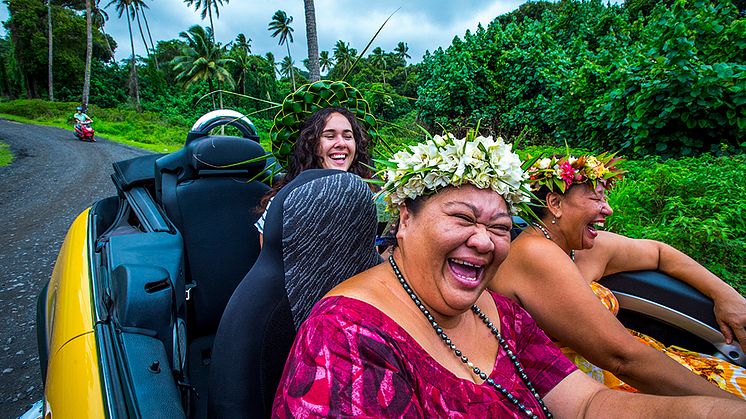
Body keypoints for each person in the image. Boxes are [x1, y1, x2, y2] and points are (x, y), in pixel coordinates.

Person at [272, 132, 746, 417]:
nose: (485, 241)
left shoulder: (499, 313)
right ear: (404, 218)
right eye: (461, 218)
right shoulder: (345, 337)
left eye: (499, 227)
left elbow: (585, 405)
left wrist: (715, 411)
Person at [490, 152, 746, 400]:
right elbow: (623, 359)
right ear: (555, 204)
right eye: (597, 198)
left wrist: (725, 295)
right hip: (579, 394)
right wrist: (726, 407)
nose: (608, 209)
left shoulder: (578, 249)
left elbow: (659, 253)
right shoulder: (536, 253)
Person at [255, 106, 373, 245]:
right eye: (330, 136)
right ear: (311, 144)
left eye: (347, 137)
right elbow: (271, 262)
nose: (341, 143)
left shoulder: (366, 198)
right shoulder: (283, 201)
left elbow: (372, 261)